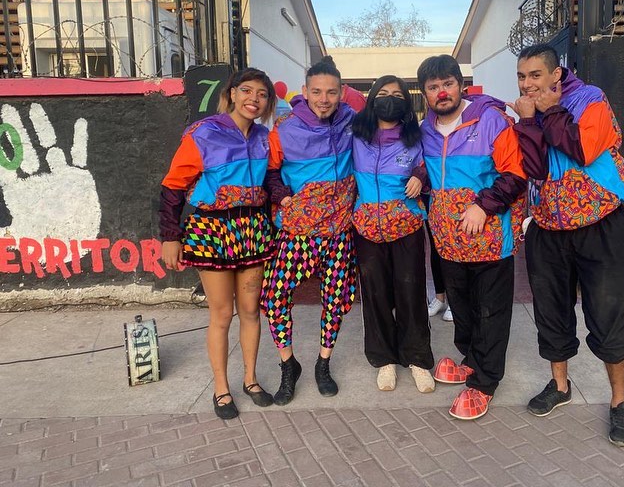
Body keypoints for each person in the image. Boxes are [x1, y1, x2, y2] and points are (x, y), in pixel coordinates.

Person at [511, 43, 624, 447]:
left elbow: (582, 149)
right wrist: (527, 122)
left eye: (535, 75)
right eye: (522, 77)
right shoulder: (529, 111)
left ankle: (619, 402)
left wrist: (549, 112)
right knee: (551, 312)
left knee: (610, 314)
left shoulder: (590, 99)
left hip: (599, 225)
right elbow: (533, 167)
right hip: (548, 229)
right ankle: (560, 385)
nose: (527, 84)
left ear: (556, 74)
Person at [418, 54, 539, 420]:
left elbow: (515, 175)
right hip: (448, 242)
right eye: (433, 87)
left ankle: (485, 382)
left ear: (461, 85)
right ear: (424, 93)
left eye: (448, 84)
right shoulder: (425, 129)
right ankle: (471, 360)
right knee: (463, 308)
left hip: (489, 240)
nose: (442, 92)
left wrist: (483, 207)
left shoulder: (491, 121)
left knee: (490, 312)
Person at [159, 67, 278, 419]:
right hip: (211, 229)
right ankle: (221, 387)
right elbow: (173, 186)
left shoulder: (265, 138)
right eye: (247, 90)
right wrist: (170, 237)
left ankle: (251, 379)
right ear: (231, 94)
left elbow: (272, 180)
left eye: (262, 94)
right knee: (222, 313)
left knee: (251, 311)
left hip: (253, 229)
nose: (254, 99)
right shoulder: (204, 133)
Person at [261, 56, 358, 406]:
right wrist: (282, 195)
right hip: (297, 232)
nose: (324, 99)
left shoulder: (352, 121)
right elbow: (271, 172)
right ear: (305, 91)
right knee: (274, 298)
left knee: (335, 300)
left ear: (341, 92)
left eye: (331, 92)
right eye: (317, 91)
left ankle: (323, 363)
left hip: (339, 232)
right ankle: (289, 365)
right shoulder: (284, 128)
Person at [350, 74, 435, 393]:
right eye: (383, 93)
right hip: (367, 227)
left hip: (406, 226)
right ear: (372, 99)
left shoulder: (415, 136)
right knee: (376, 294)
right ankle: (384, 359)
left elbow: (430, 164)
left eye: (397, 95)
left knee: (411, 291)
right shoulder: (356, 135)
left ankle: (417, 359)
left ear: (406, 103)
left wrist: (419, 175)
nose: (390, 100)